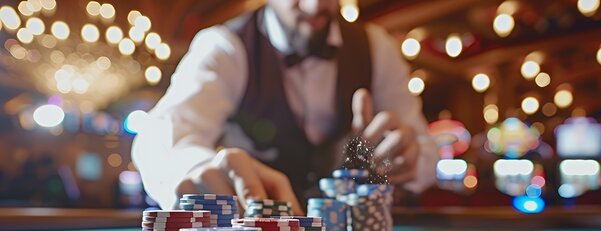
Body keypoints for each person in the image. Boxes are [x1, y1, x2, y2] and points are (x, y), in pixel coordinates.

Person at [132, 0, 438, 213]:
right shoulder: (225, 46)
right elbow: (156, 141)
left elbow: (425, 151)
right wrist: (196, 168)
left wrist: (408, 159)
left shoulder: (376, 47)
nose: (313, 6)